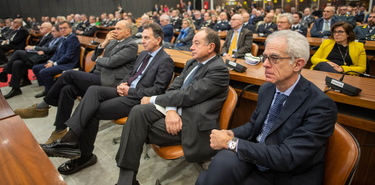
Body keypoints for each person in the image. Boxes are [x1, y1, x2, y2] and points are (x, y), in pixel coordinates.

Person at [196, 30, 337, 185]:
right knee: (214, 168)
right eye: (265, 57)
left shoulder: (321, 105)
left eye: (274, 58)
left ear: (298, 64)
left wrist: (231, 142)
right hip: (260, 155)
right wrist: (230, 133)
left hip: (287, 173)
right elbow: (255, 125)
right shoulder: (267, 88)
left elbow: (288, 157)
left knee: (212, 176)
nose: (265, 64)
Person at [40, 23, 175, 176]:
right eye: (142, 37)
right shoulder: (143, 54)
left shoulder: (165, 60)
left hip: (137, 98)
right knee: (93, 90)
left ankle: (81, 152)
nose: (142, 41)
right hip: (125, 89)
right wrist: (123, 83)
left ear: (158, 40)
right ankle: (71, 140)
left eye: (146, 38)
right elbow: (131, 73)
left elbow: (157, 90)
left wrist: (130, 90)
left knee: (93, 111)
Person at [110, 28, 229, 185]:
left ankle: (125, 181)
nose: (191, 47)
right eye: (192, 43)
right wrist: (171, 110)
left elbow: (188, 95)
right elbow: (174, 89)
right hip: (176, 113)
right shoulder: (192, 62)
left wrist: (153, 99)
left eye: (196, 43)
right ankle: (127, 180)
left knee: (135, 126)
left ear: (211, 47)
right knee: (137, 112)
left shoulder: (219, 70)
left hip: (192, 125)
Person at [14, 20, 138, 144]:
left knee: (68, 74)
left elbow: (111, 62)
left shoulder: (131, 45)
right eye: (114, 28)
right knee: (67, 89)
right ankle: (60, 130)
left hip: (108, 81)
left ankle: (44, 105)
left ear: (128, 31)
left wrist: (101, 58)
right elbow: (95, 57)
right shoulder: (113, 42)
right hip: (97, 75)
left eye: (118, 29)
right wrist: (105, 42)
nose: (114, 31)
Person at [0, 23, 61, 99]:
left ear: (48, 28)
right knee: (17, 63)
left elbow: (50, 49)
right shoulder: (49, 36)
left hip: (44, 58)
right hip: (38, 55)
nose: (40, 29)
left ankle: (4, 72)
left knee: (18, 52)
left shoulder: (55, 37)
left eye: (42, 28)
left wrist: (34, 48)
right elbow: (45, 47)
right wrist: (38, 49)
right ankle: (15, 88)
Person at [32, 21, 81, 98]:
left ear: (70, 28)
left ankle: (54, 94)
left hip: (68, 64)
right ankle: (47, 88)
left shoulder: (73, 39)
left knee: (44, 72)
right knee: (36, 68)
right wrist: (51, 61)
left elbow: (68, 56)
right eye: (61, 28)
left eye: (65, 28)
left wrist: (54, 64)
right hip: (61, 62)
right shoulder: (63, 38)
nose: (62, 30)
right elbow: (57, 53)